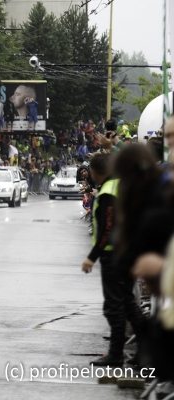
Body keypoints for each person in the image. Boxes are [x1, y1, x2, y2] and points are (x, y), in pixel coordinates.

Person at [81, 152, 143, 367]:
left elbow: (107, 229)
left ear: (95, 172)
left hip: (113, 255)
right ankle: (145, 352)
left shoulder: (108, 192)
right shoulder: (120, 185)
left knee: (115, 306)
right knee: (127, 304)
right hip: (125, 252)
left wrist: (91, 257)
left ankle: (116, 355)